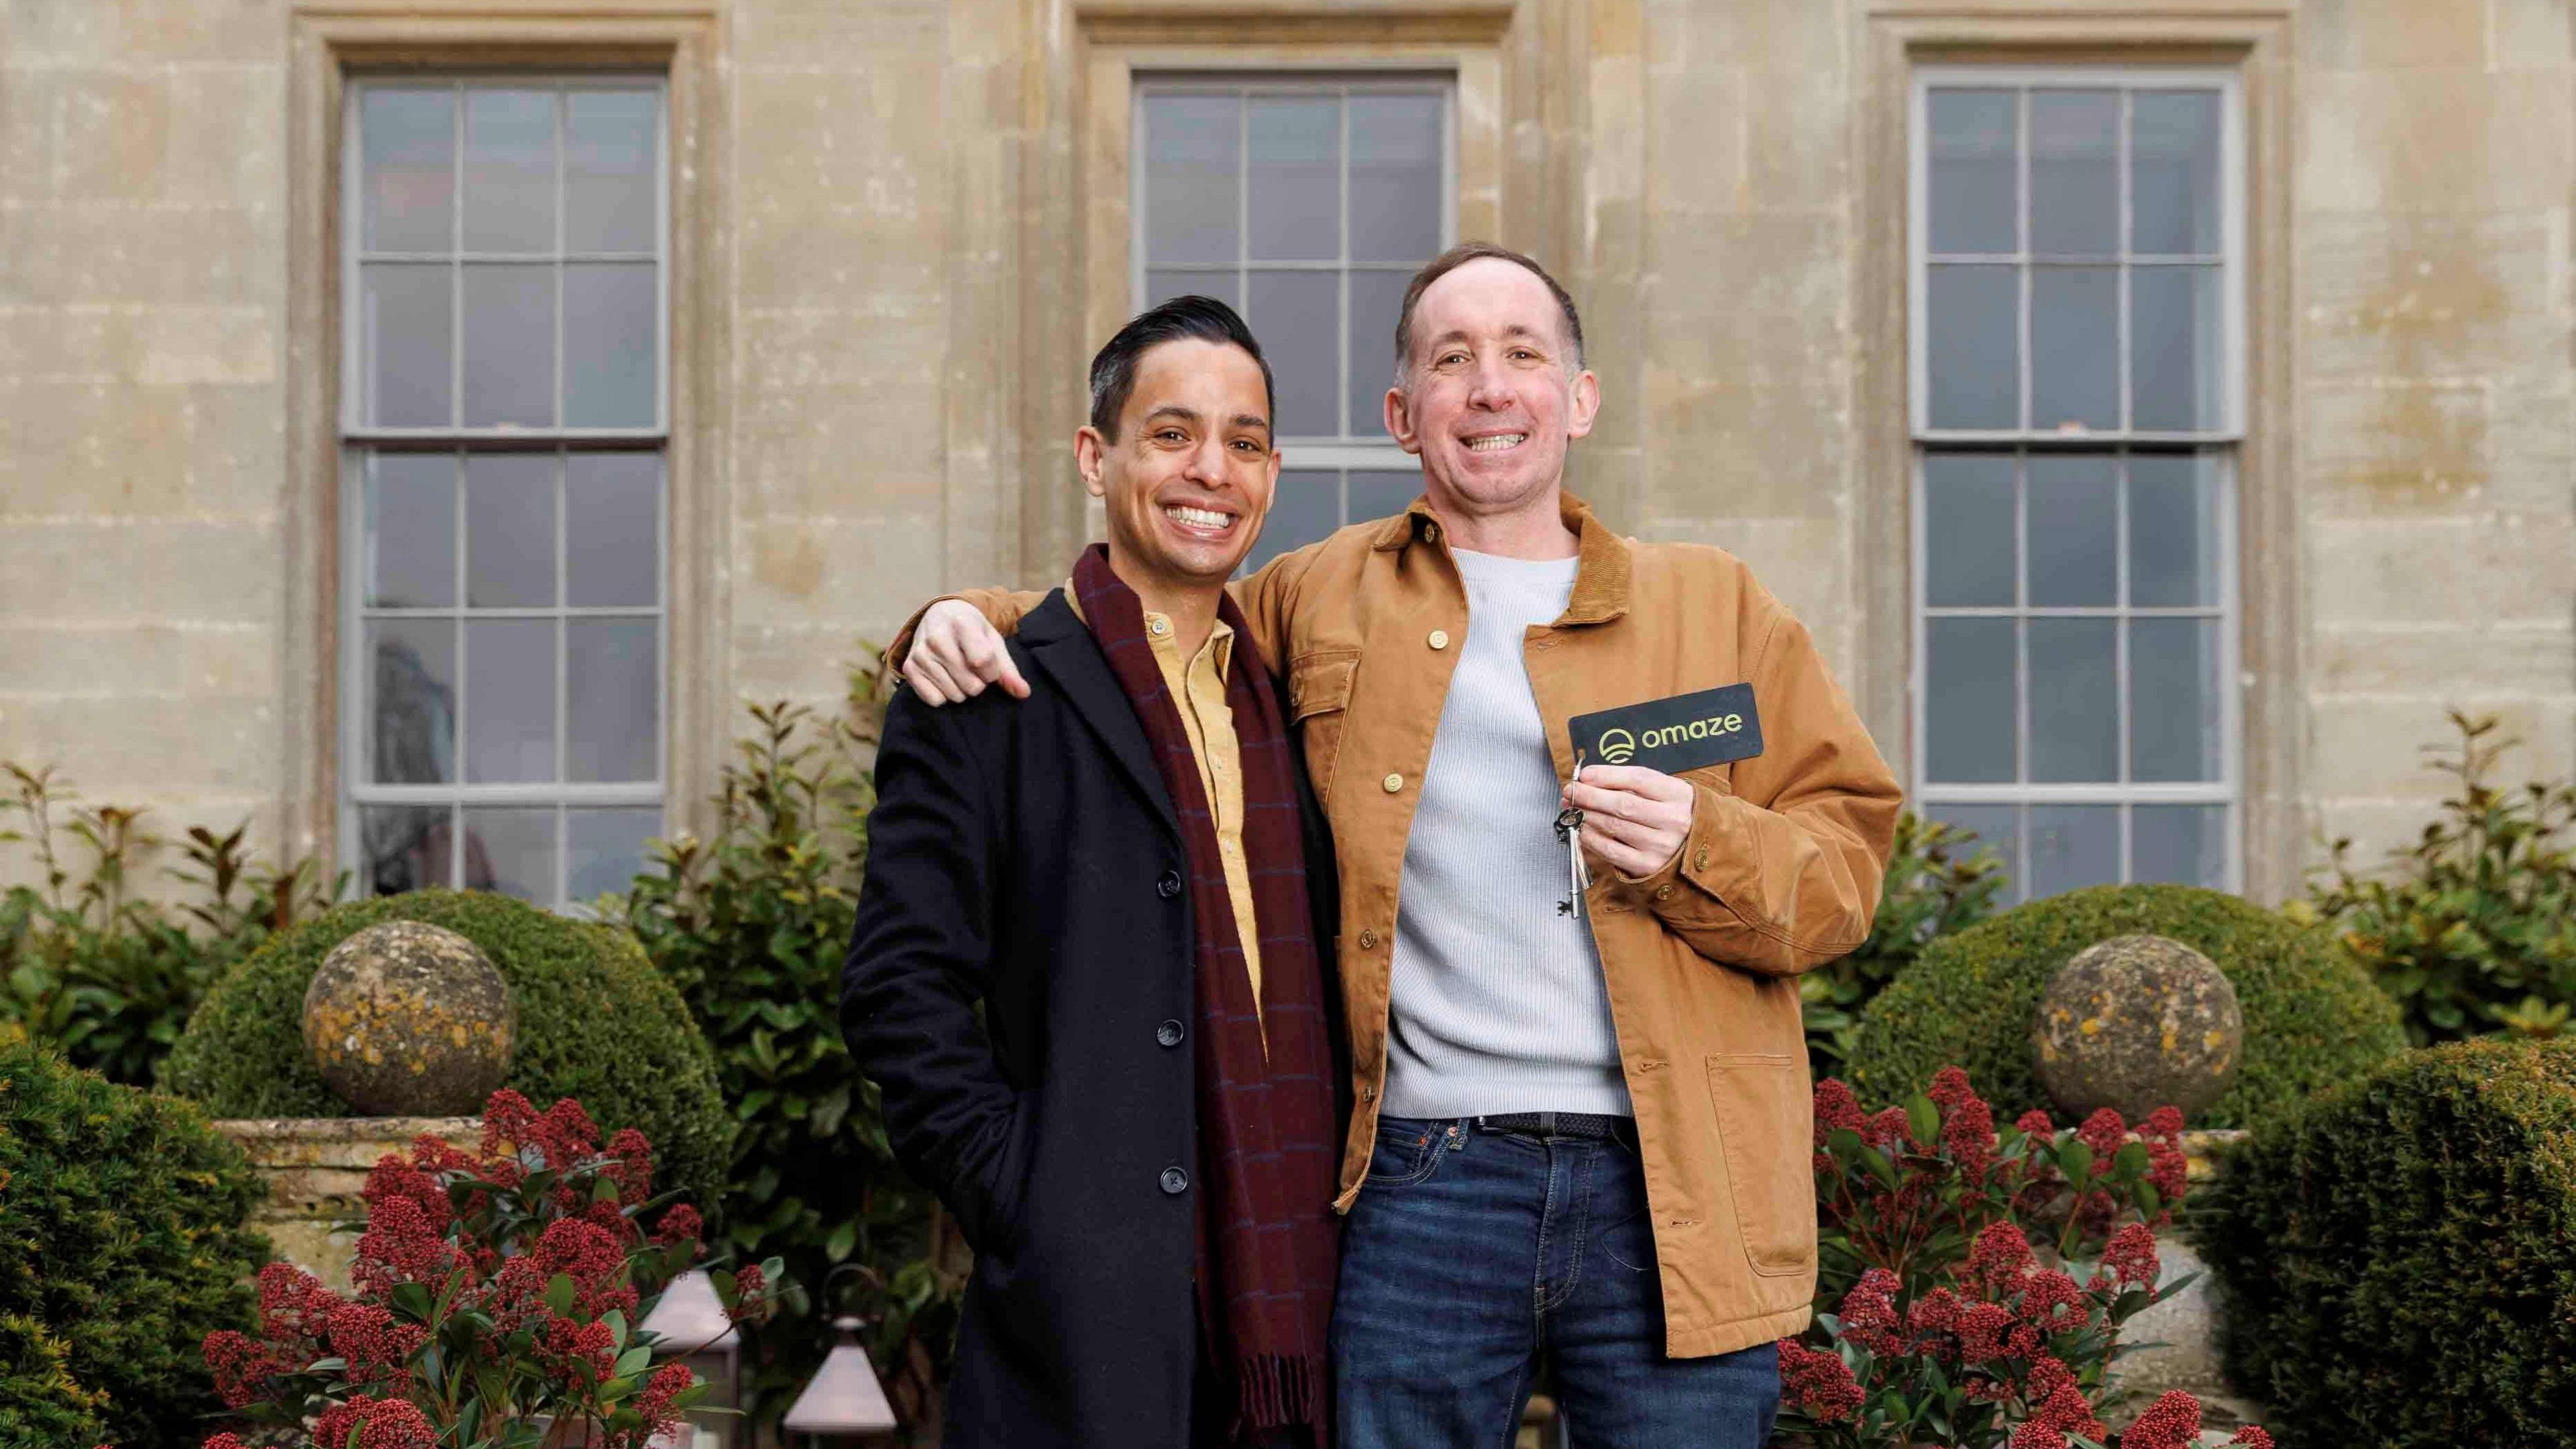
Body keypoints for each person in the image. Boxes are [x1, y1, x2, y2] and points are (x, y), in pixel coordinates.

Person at [894, 244, 1903, 1448]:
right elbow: (1149, 613)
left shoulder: (1717, 607)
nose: (1489, 387)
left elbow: (1843, 875)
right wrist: (964, 617)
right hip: (1424, 1180)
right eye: (1451, 359)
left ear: (1578, 399)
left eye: (1524, 355)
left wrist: (1701, 840)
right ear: (1402, 413)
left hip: (1677, 1186)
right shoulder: (1318, 594)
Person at [841, 296, 1344, 1449]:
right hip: (1088, 1304)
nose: (1210, 470)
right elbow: (898, 994)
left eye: (1245, 441)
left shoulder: (1290, 692)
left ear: (1273, 471)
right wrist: (1030, 1195)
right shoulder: (986, 695)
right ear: (1095, 455)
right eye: (1171, 435)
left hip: (1303, 1290)